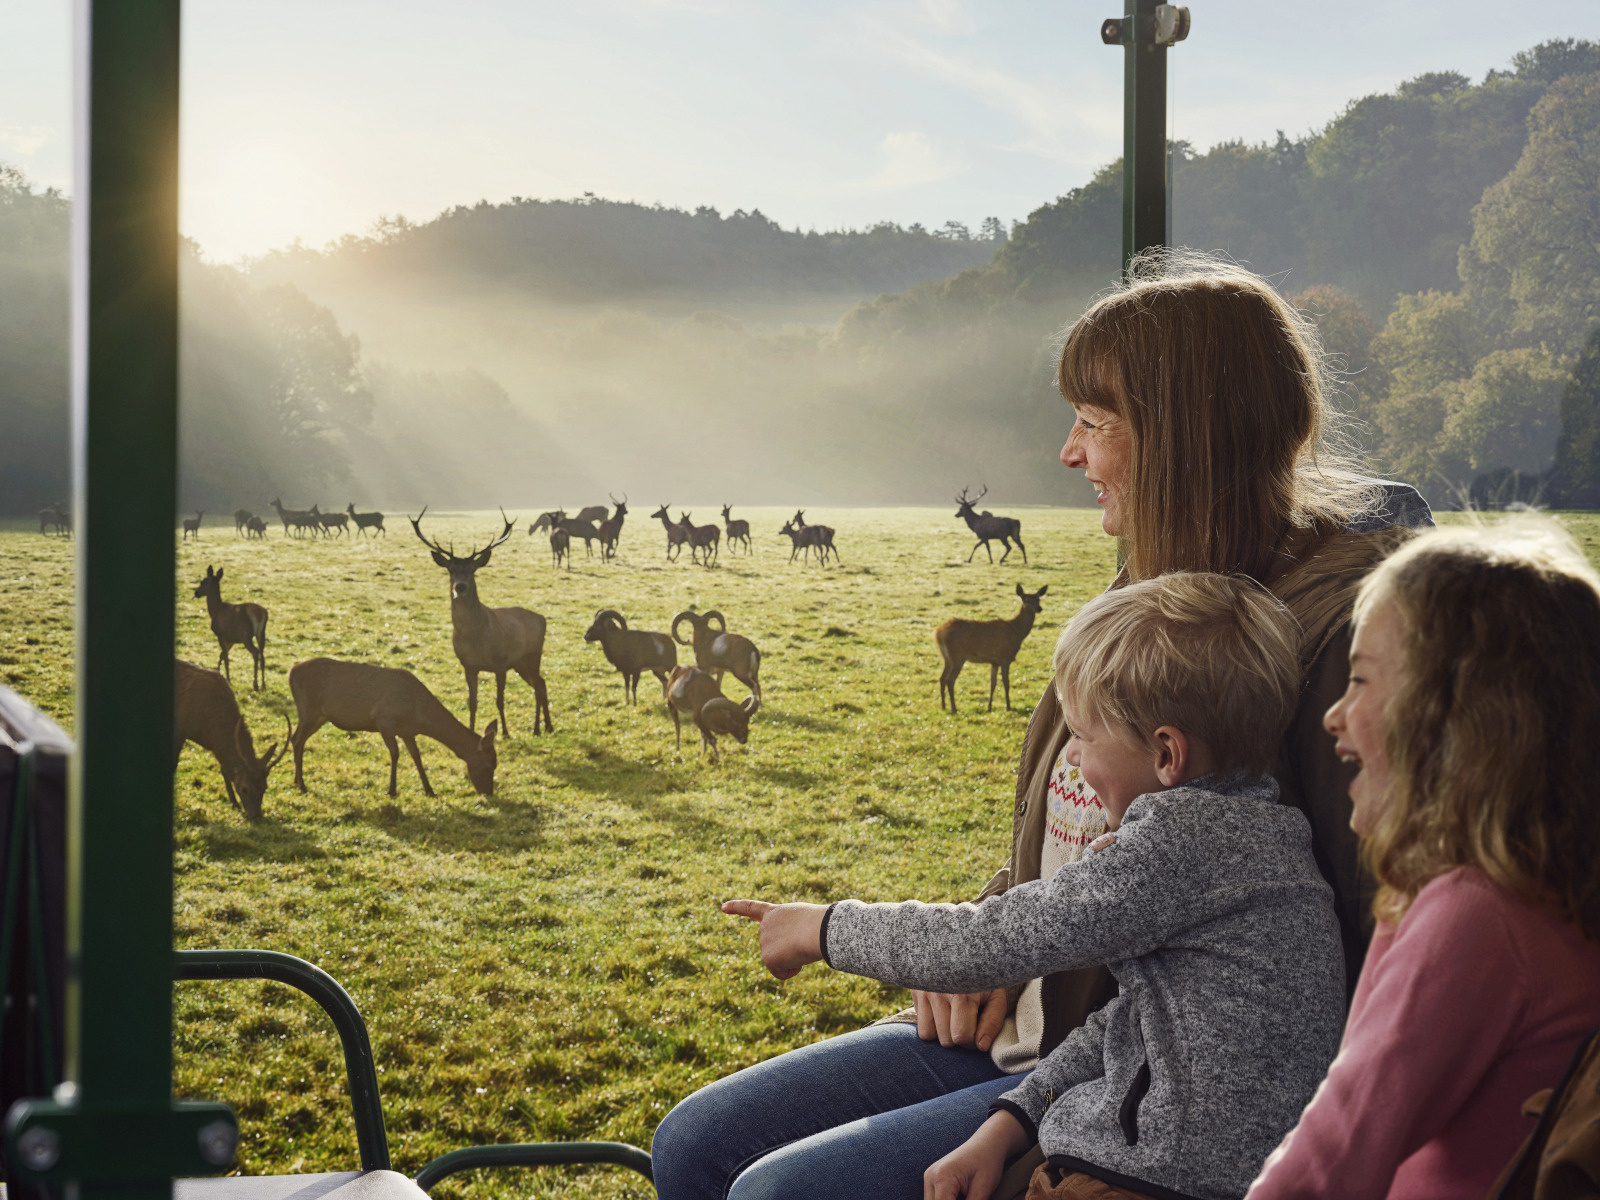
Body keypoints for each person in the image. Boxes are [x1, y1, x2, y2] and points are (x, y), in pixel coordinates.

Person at [651, 251, 1432, 1200]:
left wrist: (967, 950)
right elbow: (1074, 828)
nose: (1069, 453)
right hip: (1023, 1010)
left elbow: (1341, 934)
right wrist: (995, 922)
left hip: (1130, 1078)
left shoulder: (1325, 638)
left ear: (1184, 439)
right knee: (693, 1141)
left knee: (779, 1191)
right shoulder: (1153, 581)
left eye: (1095, 424)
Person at [722, 572, 1347, 1200]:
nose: (1070, 757)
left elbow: (987, 942)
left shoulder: (1184, 843)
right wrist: (1009, 1125)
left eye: (1081, 733)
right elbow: (1131, 1028)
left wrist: (820, 927)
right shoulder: (1258, 835)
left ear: (1166, 754)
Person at [1246, 520, 1600, 1200]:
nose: (1334, 716)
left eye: (1361, 681)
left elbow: (1329, 1164)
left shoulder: (1475, 913)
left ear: (1452, 716)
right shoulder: (1544, 893)